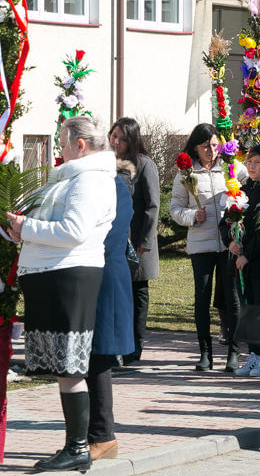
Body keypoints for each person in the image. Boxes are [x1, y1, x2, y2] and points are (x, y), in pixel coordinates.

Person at [9, 116, 117, 472]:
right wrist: (16, 229)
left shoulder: (90, 180)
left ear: (80, 145)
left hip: (69, 275)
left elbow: (73, 230)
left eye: (62, 140)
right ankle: (76, 447)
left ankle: (78, 448)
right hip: (53, 273)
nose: (59, 147)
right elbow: (48, 223)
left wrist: (28, 228)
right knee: (64, 367)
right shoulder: (73, 177)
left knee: (69, 366)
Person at [169, 123, 231, 372]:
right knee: (202, 299)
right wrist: (194, 215)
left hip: (228, 245)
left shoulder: (228, 169)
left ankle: (233, 354)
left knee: (230, 300)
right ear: (195, 147)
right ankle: (205, 353)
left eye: (215, 145)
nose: (212, 150)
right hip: (201, 245)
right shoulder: (186, 174)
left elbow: (242, 196)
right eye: (206, 146)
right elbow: (174, 209)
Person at [86, 154, 136, 461]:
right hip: (93, 275)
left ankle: (103, 436)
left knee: (99, 355)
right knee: (90, 355)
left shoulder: (114, 187)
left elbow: (108, 236)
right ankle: (91, 435)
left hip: (105, 277)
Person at [109, 117, 159, 365]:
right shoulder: (106, 163)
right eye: (113, 136)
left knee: (137, 293)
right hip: (113, 240)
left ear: (132, 140)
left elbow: (152, 206)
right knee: (118, 294)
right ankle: (118, 343)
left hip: (137, 241)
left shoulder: (144, 164)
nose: (116, 141)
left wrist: (144, 240)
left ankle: (134, 347)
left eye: (122, 138)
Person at [225, 144, 260, 377]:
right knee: (247, 306)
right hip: (240, 260)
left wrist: (247, 255)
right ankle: (253, 354)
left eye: (257, 162)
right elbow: (228, 219)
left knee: (259, 306)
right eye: (249, 162)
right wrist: (230, 242)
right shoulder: (240, 189)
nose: (252, 166)